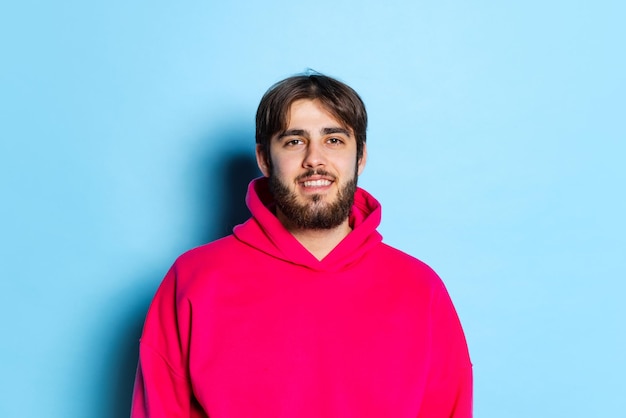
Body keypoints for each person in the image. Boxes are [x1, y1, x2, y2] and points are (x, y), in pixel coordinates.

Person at [131, 72, 472, 417]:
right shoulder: (193, 279)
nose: (314, 159)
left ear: (361, 157)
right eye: (294, 141)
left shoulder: (419, 288)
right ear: (264, 159)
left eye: (334, 140)